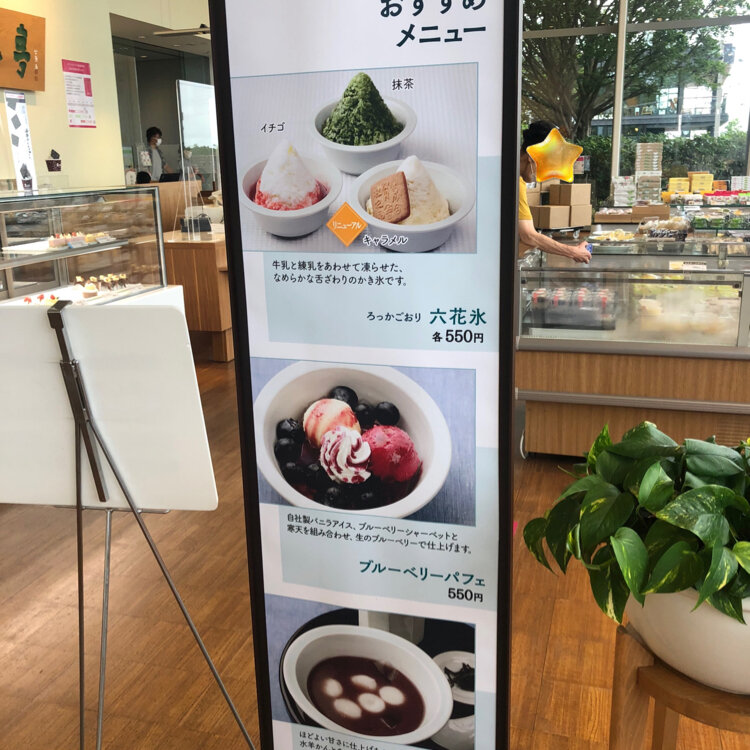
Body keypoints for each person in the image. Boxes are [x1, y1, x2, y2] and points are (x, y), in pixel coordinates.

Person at [519, 121, 591, 263]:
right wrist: (573, 251)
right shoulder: (513, 182)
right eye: (544, 165)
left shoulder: (513, 178)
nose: (541, 174)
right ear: (531, 157)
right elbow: (529, 235)